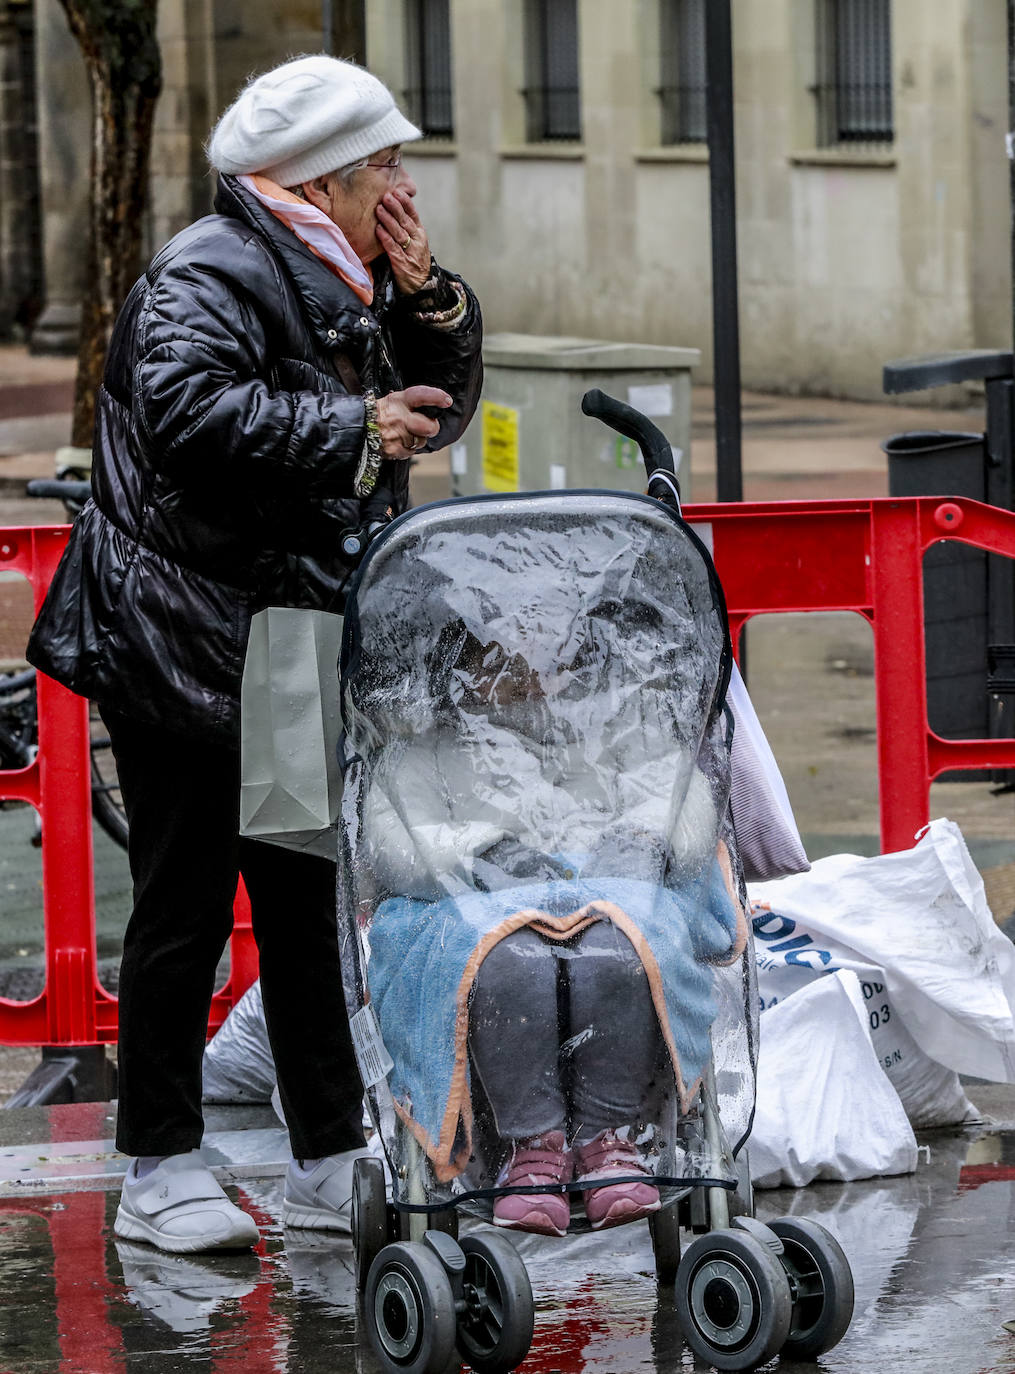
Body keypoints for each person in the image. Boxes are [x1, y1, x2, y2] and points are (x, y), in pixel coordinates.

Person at [25, 53, 483, 1254]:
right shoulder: (209, 270)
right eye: (385, 161)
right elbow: (185, 412)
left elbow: (433, 409)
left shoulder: (342, 270)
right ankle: (157, 1167)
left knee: (294, 895)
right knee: (180, 902)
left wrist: (431, 302)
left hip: (278, 641)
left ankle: (329, 1155)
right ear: (323, 177)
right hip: (180, 638)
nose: (402, 183)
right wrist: (353, 424)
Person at [359, 627, 748, 1238]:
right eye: (490, 661)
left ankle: (607, 1135)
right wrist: (481, 853)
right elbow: (394, 842)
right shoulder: (426, 752)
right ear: (453, 667)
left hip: (611, 899)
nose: (519, 676)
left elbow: (679, 795)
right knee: (511, 968)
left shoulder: (618, 727)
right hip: (486, 917)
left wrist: (645, 839)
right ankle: (530, 1143)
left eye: (541, 656)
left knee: (622, 957)